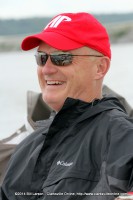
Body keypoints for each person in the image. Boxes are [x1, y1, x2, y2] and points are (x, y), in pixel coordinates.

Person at [1, 12, 133, 200]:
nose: (47, 69)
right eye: (41, 58)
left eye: (61, 57)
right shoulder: (26, 149)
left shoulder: (125, 143)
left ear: (100, 68)